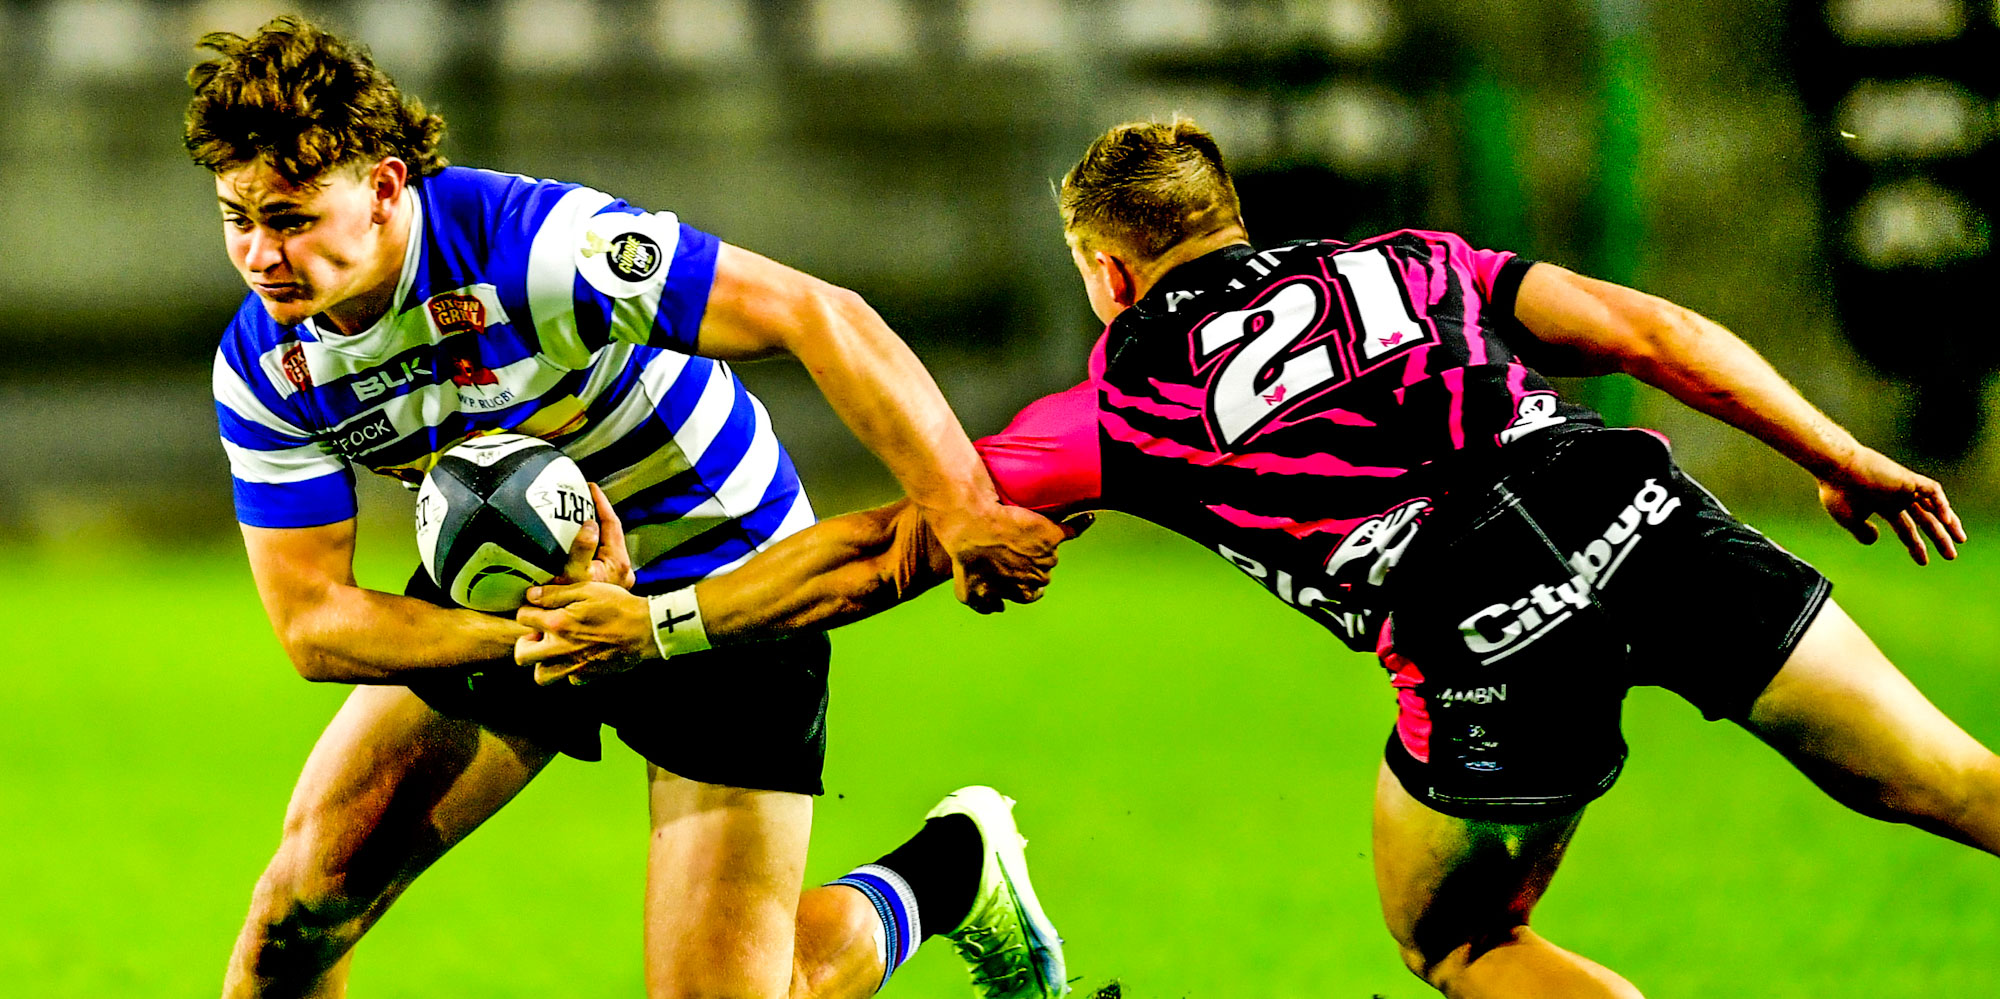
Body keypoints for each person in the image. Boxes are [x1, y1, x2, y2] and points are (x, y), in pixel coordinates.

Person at [523, 117, 1997, 999]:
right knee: (1947, 779)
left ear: (1102, 269)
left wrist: (654, 624)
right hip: (1644, 513)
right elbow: (1656, 335)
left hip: (1479, 621)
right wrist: (1831, 448)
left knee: (1464, 936)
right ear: (1234, 219)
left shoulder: (1117, 401)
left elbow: (888, 545)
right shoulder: (1415, 261)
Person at [191, 17, 1071, 999]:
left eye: (291, 217)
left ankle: (950, 873)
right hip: (514, 601)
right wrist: (528, 632)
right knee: (293, 919)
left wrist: (954, 502)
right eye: (238, 219)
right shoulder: (268, 365)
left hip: (720, 571)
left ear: (387, 188)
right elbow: (313, 622)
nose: (262, 253)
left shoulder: (531, 247)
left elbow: (814, 313)